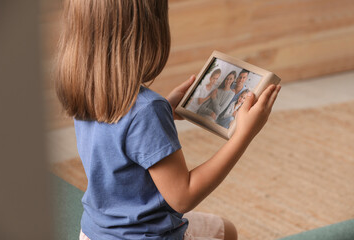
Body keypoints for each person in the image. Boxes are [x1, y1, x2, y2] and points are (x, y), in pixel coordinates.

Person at [55, 1, 281, 240]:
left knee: (225, 229)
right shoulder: (146, 110)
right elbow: (184, 196)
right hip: (146, 235)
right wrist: (244, 135)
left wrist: (165, 109)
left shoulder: (85, 91)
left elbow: (123, 139)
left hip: (95, 232)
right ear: (150, 32)